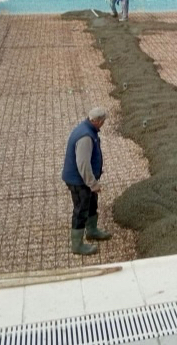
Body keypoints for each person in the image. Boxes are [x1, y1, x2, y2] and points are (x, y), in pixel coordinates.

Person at [61, 107, 113, 255]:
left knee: (91, 204)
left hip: (85, 180)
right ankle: (77, 246)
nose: (103, 124)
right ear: (97, 121)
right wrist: (93, 184)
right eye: (102, 121)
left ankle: (92, 231)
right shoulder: (85, 137)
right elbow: (83, 164)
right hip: (79, 182)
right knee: (81, 210)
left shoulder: (88, 129)